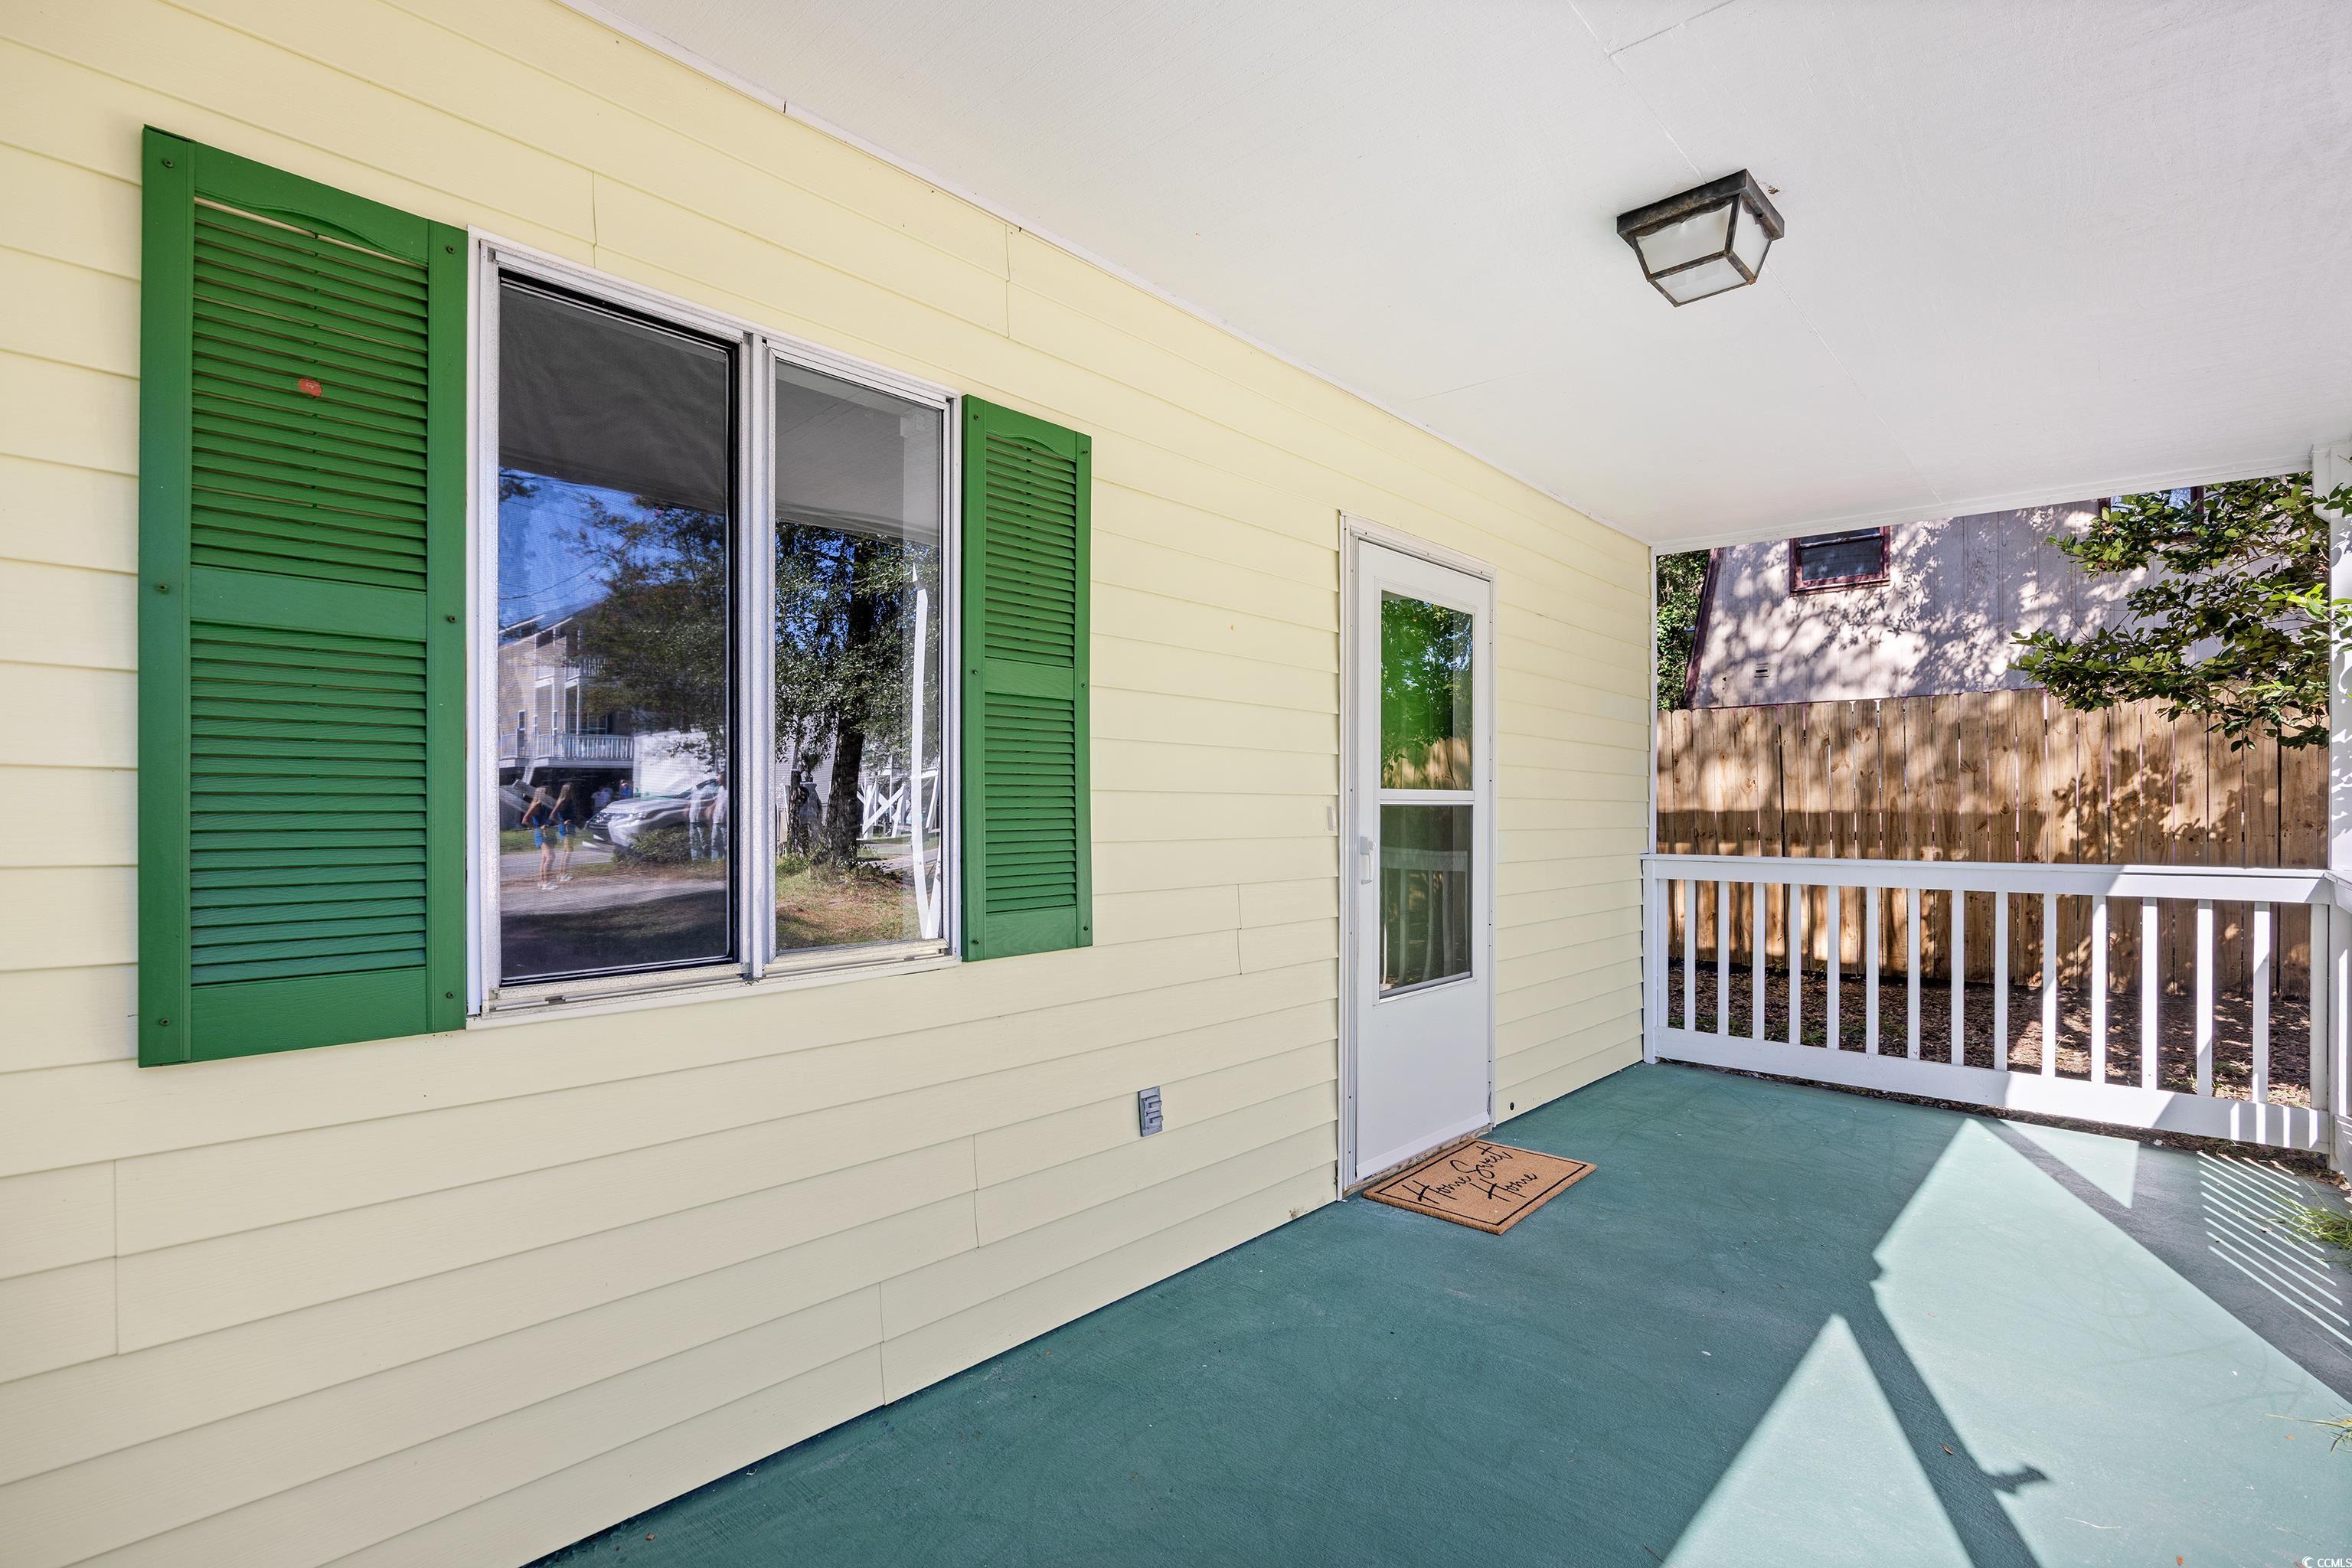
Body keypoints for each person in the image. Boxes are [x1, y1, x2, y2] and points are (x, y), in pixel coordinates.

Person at [521, 785, 557, 890]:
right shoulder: (536, 805)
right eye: (548, 793)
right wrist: (538, 827)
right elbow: (525, 820)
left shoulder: (547, 805)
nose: (550, 795)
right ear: (542, 794)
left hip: (548, 832)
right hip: (541, 833)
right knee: (550, 857)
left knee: (545, 858)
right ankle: (546, 882)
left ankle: (542, 881)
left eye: (551, 792)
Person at [553, 782, 580, 884]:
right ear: (567, 791)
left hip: (571, 827)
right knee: (568, 852)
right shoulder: (562, 801)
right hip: (566, 829)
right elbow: (553, 815)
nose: (573, 792)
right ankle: (562, 874)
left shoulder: (570, 801)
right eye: (571, 790)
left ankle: (561, 874)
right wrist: (562, 822)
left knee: (567, 852)